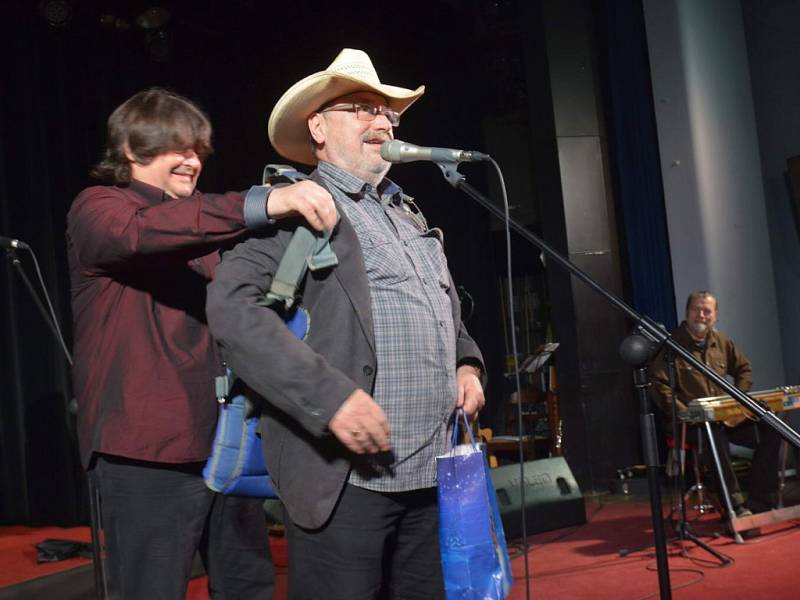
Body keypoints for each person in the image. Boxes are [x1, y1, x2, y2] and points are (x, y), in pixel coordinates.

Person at [206, 48, 486, 599]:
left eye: (389, 114)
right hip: (346, 484)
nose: (381, 121)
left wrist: (467, 363)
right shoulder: (301, 206)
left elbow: (445, 309)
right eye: (360, 108)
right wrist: (330, 399)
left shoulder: (411, 216)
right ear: (317, 126)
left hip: (432, 479)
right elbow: (232, 308)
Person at [66, 87, 336, 599]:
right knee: (151, 588)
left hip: (223, 440)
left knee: (249, 584)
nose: (193, 161)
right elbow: (146, 233)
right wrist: (265, 202)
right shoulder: (101, 207)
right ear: (130, 150)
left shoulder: (207, 231)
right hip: (146, 448)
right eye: (178, 149)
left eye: (199, 152)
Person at [650, 290, 783, 517]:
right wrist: (685, 413)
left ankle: (761, 503)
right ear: (686, 312)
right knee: (715, 438)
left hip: (726, 418)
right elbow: (659, 385)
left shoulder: (722, 342)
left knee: (772, 430)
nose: (701, 315)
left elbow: (744, 369)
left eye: (707, 311)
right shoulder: (671, 346)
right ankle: (734, 507)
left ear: (715, 316)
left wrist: (738, 401)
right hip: (690, 425)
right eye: (696, 310)